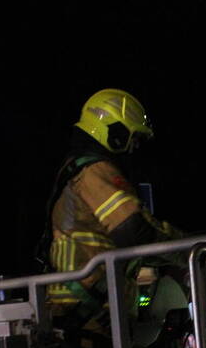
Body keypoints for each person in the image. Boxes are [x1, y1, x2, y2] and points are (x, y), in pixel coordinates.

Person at [41, 88, 180, 334]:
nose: (134, 148)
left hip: (84, 312)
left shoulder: (81, 170)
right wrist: (188, 249)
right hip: (88, 316)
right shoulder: (95, 172)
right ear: (115, 133)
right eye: (133, 139)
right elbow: (134, 230)